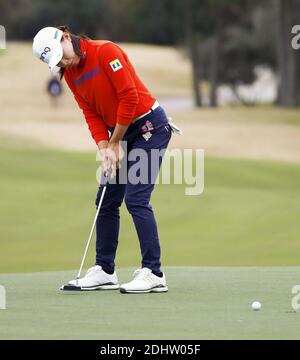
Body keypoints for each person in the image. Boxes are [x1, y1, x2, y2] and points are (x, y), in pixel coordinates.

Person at [32, 26, 180, 294]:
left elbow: (129, 97)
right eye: (57, 62)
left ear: (66, 37)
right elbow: (90, 112)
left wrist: (115, 142)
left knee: (136, 198)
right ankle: (105, 270)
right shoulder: (71, 74)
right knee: (107, 199)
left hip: (150, 127)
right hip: (120, 133)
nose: (64, 62)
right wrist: (105, 148)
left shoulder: (105, 52)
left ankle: (154, 273)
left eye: (62, 56)